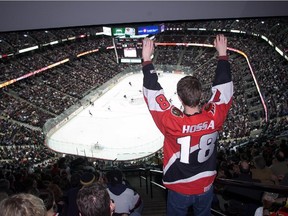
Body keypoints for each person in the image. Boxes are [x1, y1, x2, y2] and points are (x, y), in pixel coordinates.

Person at [142, 34, 233, 216]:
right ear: (201, 95)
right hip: (206, 186)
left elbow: (153, 94)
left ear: (179, 98)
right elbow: (224, 89)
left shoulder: (172, 121)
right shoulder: (214, 117)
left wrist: (146, 60)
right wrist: (222, 55)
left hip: (178, 188)